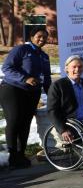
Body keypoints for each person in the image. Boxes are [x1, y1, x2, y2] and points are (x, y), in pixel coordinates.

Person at [0, 27, 51, 169]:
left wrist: (52, 95)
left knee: (26, 123)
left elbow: (46, 79)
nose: (42, 39)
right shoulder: (21, 49)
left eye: (45, 37)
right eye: (39, 36)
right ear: (32, 36)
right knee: (15, 120)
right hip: (12, 89)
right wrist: (25, 78)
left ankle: (21, 155)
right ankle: (12, 156)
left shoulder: (44, 56)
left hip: (33, 93)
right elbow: (7, 68)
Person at [47, 55, 83, 146]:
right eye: (74, 67)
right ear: (67, 69)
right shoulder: (58, 86)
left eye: (80, 67)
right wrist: (62, 129)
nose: (77, 69)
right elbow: (52, 110)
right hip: (73, 121)